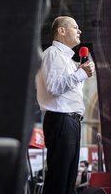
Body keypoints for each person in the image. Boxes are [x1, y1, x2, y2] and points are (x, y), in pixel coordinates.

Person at [36, 16, 95, 194]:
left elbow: (68, 89)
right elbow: (54, 87)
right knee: (59, 179)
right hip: (62, 120)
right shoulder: (53, 54)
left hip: (71, 121)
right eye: (75, 27)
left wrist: (79, 72)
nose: (80, 31)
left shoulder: (67, 60)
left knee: (68, 181)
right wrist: (81, 74)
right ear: (61, 31)